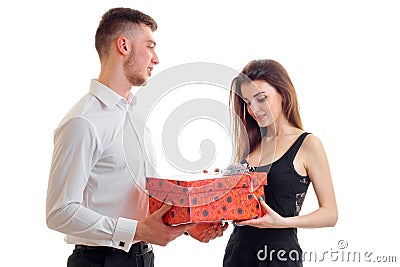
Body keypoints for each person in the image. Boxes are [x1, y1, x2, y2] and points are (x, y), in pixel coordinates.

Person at [46, 7, 225, 267]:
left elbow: (146, 193)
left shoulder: (134, 115)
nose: (156, 58)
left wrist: (185, 224)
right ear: (123, 46)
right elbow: (59, 213)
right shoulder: (83, 122)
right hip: (100, 261)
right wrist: (137, 231)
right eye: (150, 46)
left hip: (143, 257)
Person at [223, 59, 338, 266]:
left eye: (261, 98)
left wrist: (283, 222)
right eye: (248, 102)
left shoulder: (308, 144)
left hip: (279, 257)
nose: (254, 109)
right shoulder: (250, 147)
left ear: (283, 95)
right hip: (237, 255)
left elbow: (330, 214)